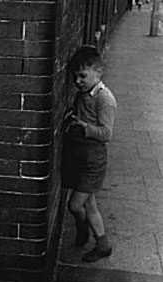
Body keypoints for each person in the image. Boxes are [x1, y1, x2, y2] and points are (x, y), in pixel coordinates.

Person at [62, 45, 117, 263]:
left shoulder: (105, 100)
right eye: (75, 77)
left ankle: (95, 239)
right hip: (81, 157)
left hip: (94, 161)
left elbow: (106, 133)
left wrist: (84, 126)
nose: (78, 81)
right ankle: (95, 239)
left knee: (75, 205)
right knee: (89, 203)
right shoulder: (83, 94)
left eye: (83, 76)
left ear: (99, 72)